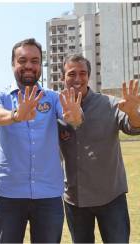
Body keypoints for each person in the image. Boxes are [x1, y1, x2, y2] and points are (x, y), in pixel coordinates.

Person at [0, 38, 83, 243]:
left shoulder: (53, 97)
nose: (28, 65)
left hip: (48, 194)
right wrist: (15, 116)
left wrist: (75, 116)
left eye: (35, 60)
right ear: (13, 64)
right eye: (22, 60)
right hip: (7, 193)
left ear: (40, 66)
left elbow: (71, 117)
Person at [58, 54, 140, 243]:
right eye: (71, 74)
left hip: (111, 198)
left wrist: (134, 112)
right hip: (75, 200)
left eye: (83, 73)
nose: (77, 79)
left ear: (89, 76)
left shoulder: (109, 104)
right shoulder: (57, 109)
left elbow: (134, 126)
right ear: (63, 77)